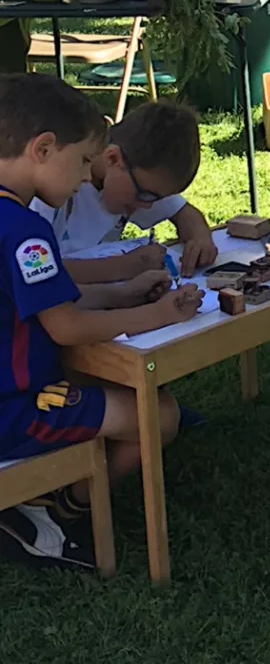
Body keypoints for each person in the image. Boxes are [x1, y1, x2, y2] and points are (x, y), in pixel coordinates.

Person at [0, 76, 202, 570]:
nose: (81, 178)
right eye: (81, 162)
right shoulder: (26, 232)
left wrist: (119, 293)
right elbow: (65, 327)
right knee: (159, 415)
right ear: (43, 149)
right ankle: (52, 512)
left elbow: (40, 301)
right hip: (14, 409)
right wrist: (155, 314)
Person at [42, 100, 217, 280]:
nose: (147, 207)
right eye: (146, 195)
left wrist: (200, 239)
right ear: (112, 158)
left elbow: (185, 213)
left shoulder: (134, 180)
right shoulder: (55, 187)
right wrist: (126, 266)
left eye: (156, 199)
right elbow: (36, 272)